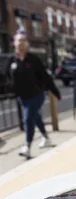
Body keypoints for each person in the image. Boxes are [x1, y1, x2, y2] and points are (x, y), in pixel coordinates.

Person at [6, 29, 61, 159]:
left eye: (23, 40)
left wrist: (55, 91)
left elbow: (45, 77)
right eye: (18, 40)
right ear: (14, 43)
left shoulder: (34, 59)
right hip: (22, 97)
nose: (21, 43)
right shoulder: (11, 60)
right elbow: (7, 76)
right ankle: (46, 138)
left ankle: (27, 147)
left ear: (27, 44)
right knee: (35, 117)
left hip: (36, 95)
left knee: (28, 118)